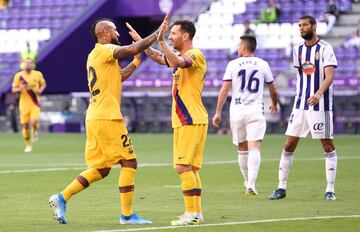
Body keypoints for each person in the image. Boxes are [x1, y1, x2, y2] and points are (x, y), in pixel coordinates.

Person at [49, 14, 170, 225]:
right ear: (105, 33)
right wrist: (158, 34)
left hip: (95, 116)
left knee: (102, 169)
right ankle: (127, 215)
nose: (117, 33)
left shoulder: (95, 55)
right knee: (129, 161)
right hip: (108, 117)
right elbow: (132, 48)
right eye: (114, 30)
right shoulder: (106, 49)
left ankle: (62, 197)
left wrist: (134, 63)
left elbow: (118, 77)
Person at [126, 20, 208, 226]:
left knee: (182, 166)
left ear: (186, 36)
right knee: (190, 168)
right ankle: (196, 213)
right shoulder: (180, 56)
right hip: (186, 119)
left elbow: (179, 63)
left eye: (174, 33)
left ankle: (191, 214)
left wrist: (161, 40)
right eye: (169, 34)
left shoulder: (195, 54)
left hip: (190, 118)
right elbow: (161, 58)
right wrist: (142, 44)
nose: (171, 37)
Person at [268, 15, 338, 201]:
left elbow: (329, 76)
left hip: (321, 105)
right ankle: (281, 188)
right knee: (289, 144)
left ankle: (330, 189)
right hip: (300, 105)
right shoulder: (297, 49)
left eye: (304, 25)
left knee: (327, 144)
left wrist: (319, 93)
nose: (301, 28)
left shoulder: (325, 48)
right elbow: (303, 75)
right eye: (299, 25)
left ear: (313, 26)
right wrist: (305, 94)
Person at [212, 35, 278, 195]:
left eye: (238, 45)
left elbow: (224, 89)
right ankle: (251, 184)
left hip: (237, 111)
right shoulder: (263, 64)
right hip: (255, 110)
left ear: (243, 47)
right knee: (254, 147)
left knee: (242, 148)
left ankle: (248, 181)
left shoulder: (233, 64)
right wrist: (274, 104)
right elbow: (273, 89)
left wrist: (218, 112)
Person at [11, 57, 46, 152]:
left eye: (30, 63)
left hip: (35, 102)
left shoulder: (38, 74)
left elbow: (43, 84)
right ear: (22, 64)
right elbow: (13, 89)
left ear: (32, 64)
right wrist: (20, 89)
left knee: (34, 121)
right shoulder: (19, 76)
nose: (28, 65)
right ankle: (28, 145)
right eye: (26, 63)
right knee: (25, 125)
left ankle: (34, 132)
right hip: (24, 104)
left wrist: (40, 90)